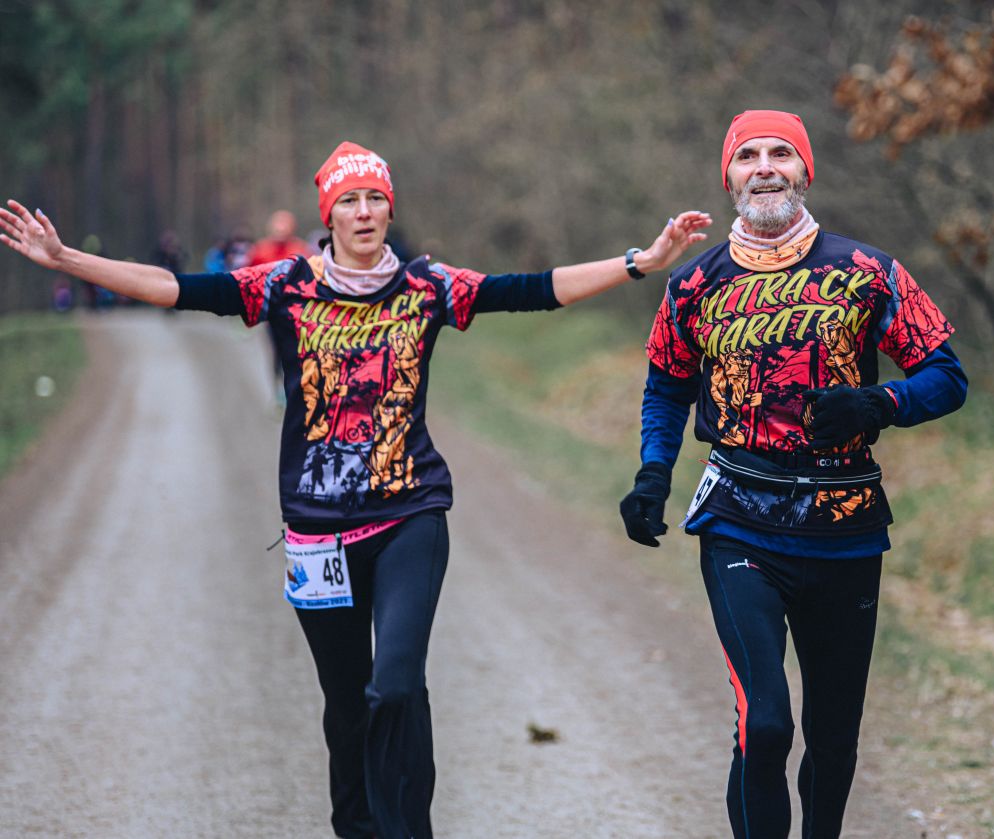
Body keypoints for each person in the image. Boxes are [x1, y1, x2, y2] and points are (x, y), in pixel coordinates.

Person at [0, 139, 712, 839]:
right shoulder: (283, 286)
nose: (366, 211)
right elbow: (174, 289)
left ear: (389, 209)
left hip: (410, 513)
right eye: (351, 200)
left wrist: (638, 264)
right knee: (348, 705)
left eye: (376, 198)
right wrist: (66, 260)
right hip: (318, 531)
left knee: (396, 684)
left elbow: (530, 290)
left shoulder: (429, 286)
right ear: (329, 214)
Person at [619, 110, 966, 839]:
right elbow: (665, 386)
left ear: (806, 172)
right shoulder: (693, 284)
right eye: (748, 155)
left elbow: (947, 375)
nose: (766, 166)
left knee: (834, 740)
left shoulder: (867, 271)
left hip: (846, 526)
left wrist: (881, 400)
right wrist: (654, 472)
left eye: (782, 153)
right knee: (768, 723)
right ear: (730, 176)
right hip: (740, 518)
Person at [247, 209, 314, 266]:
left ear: (293, 227)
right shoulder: (259, 250)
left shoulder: (301, 250)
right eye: (279, 223)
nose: (281, 228)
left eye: (285, 223)